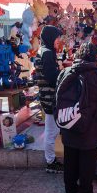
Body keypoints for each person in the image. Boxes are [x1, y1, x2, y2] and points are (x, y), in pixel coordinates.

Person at [58, 42, 97, 193]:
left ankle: (70, 192)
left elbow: (57, 99)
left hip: (68, 123)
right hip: (90, 127)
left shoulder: (65, 72)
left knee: (70, 160)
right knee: (87, 165)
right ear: (95, 56)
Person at [36, 25, 64, 173]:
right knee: (51, 131)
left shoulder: (44, 51)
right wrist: (62, 72)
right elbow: (52, 78)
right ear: (50, 37)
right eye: (57, 37)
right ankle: (50, 162)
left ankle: (51, 159)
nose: (58, 40)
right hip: (50, 97)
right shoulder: (47, 53)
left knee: (51, 129)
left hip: (47, 96)